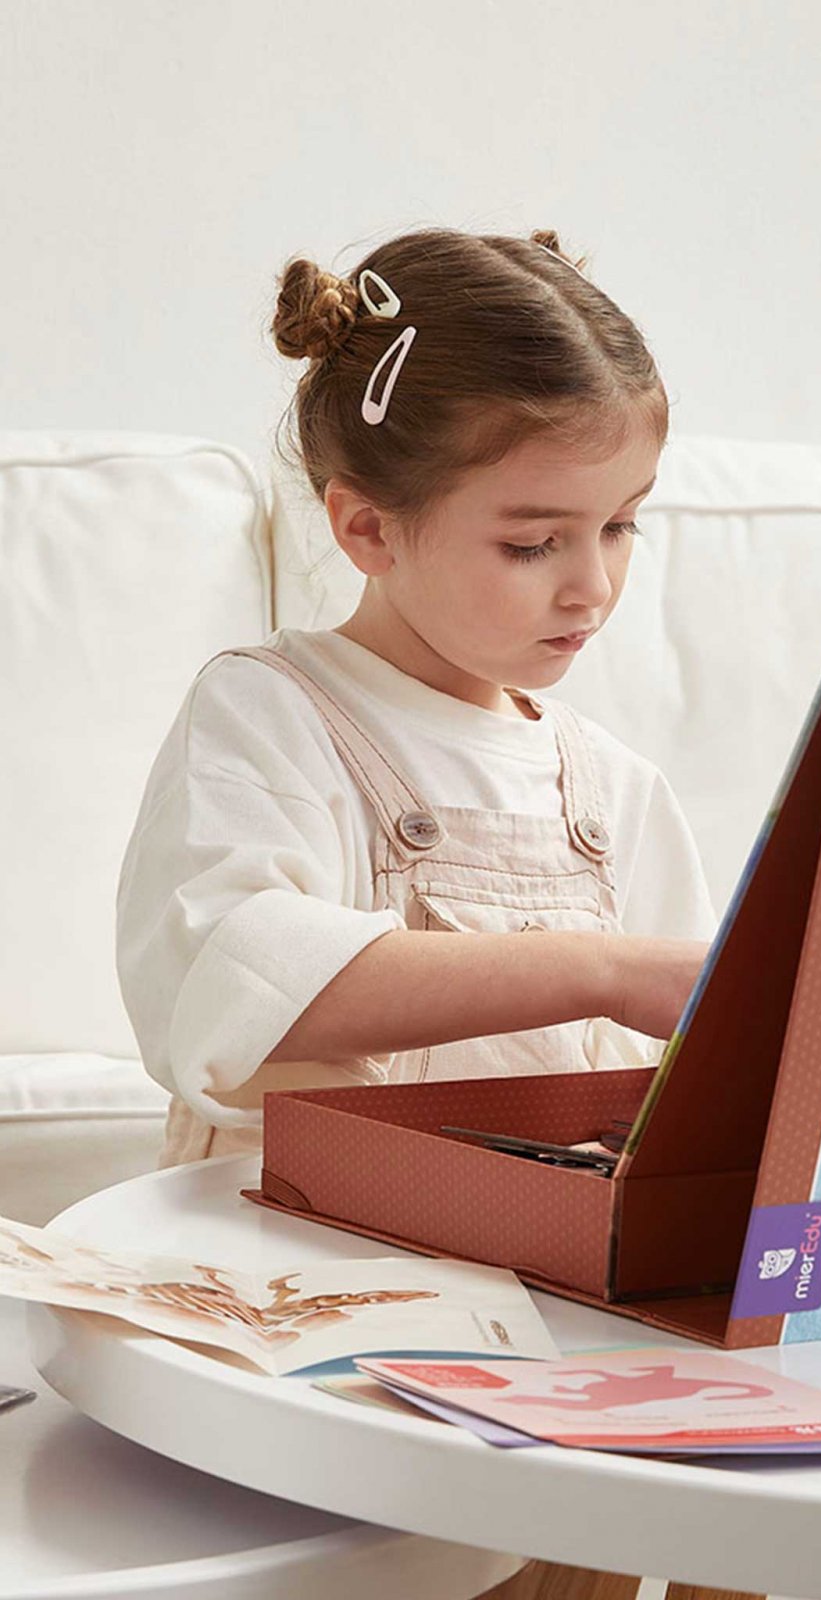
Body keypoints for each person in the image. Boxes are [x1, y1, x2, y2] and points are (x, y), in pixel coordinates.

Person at [116, 226, 716, 1169]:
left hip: (537, 1248)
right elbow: (234, 991)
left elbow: (693, 1065)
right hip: (285, 1244)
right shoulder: (269, 716)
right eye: (532, 544)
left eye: (621, 526)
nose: (593, 588)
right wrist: (604, 969)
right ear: (368, 528)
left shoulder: (614, 789)